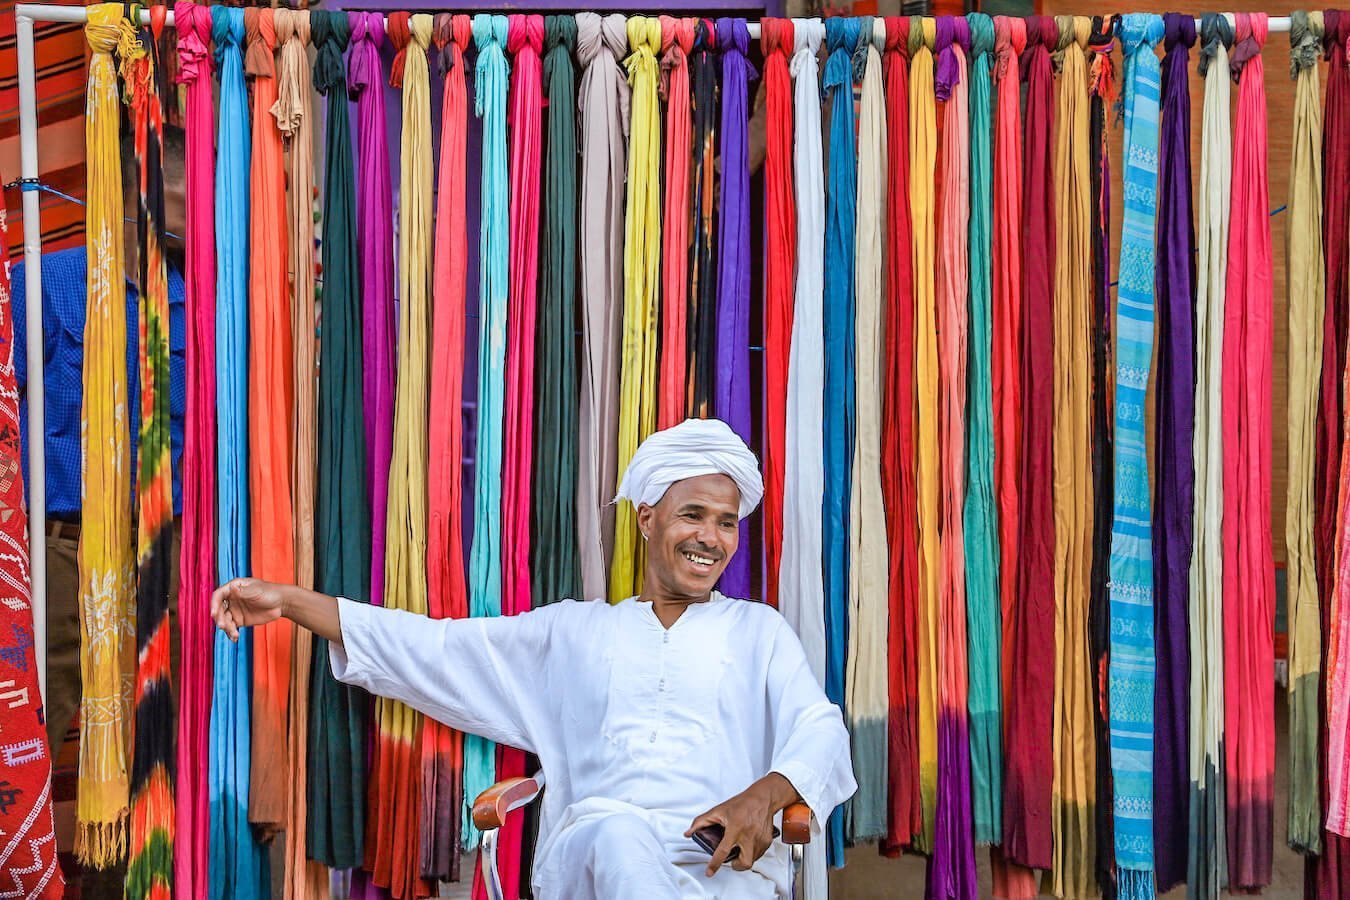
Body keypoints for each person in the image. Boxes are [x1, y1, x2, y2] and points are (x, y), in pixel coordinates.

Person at [212, 417, 855, 899]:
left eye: (727, 522)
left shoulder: (758, 632)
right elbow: (435, 650)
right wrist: (294, 602)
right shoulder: (575, 633)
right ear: (646, 519)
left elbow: (820, 730)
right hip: (598, 858)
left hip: (720, 862)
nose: (712, 539)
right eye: (693, 515)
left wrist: (763, 797)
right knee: (617, 839)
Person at [10, 123, 187, 753]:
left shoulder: (207, 301)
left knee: (153, 750)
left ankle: (126, 855)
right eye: (180, 177)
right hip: (63, 551)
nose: (198, 195)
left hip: (164, 555)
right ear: (134, 191)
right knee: (31, 733)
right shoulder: (39, 284)